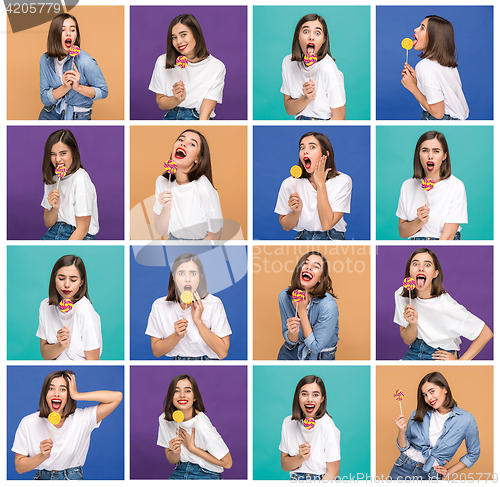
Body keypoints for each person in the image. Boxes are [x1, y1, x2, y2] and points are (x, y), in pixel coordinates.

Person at [12, 370, 122, 479]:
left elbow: (117, 397)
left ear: (69, 394)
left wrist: (77, 395)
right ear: (45, 394)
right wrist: (42, 456)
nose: (56, 393)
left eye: (63, 389)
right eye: (51, 388)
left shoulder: (82, 418)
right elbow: (19, 468)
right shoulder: (28, 422)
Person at [394, 248, 493, 360]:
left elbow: (486, 334)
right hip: (414, 350)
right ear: (409, 271)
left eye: (427, 265)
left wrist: (459, 364)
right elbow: (407, 340)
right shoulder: (401, 295)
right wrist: (413, 324)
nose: (421, 268)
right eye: (415, 264)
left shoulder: (447, 306)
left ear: (435, 273)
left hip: (438, 354)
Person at [390, 372, 480, 480]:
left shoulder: (466, 419)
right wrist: (401, 431)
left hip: (431, 475)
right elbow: (403, 447)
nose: (429, 398)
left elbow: (473, 453)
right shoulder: (417, 414)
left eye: (432, 391)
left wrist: (449, 471)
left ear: (445, 389)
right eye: (425, 395)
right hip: (403, 467)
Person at [146, 253, 231, 360]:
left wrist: (198, 321)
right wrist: (176, 336)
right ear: (174, 278)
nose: (187, 279)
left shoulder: (214, 303)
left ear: (200, 277)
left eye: (193, 273)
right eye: (181, 273)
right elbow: (156, 352)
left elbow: (222, 353)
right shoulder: (159, 305)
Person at [275, 132, 351, 240]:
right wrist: (296, 212)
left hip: (333, 238)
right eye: (302, 147)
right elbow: (285, 226)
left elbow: (327, 224)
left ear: (326, 153)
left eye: (312, 147)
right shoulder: (290, 183)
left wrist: (321, 185)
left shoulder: (343, 181)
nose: (305, 151)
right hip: (303, 237)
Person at [149, 14, 226, 120]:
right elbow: (161, 104)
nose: (179, 41)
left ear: (196, 34)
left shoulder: (216, 67)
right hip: (170, 116)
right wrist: (177, 99)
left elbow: (205, 115)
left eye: (183, 34)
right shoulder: (163, 61)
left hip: (197, 117)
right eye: (174, 37)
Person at [158, 374, 232, 479]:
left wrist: (192, 448)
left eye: (187, 391)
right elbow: (172, 460)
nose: (182, 395)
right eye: (176, 391)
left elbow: (227, 463)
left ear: (194, 398)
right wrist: (175, 452)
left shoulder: (201, 423)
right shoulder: (164, 419)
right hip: (180, 470)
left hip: (206, 473)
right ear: (170, 397)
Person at [153, 129, 223, 240]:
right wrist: (166, 208)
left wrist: (194, 255)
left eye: (192, 144)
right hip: (173, 241)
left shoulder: (203, 187)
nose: (183, 143)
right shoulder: (162, 182)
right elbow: (160, 230)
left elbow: (216, 234)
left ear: (198, 159)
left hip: (198, 245)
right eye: (180, 139)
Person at [397, 131, 467, 240]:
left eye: (436, 151)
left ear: (444, 156)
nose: (430, 156)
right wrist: (419, 221)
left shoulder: (456, 186)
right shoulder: (407, 185)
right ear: (418, 154)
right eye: (425, 150)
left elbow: (448, 236)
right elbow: (403, 233)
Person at [39, 13, 108, 120]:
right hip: (50, 114)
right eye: (63, 30)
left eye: (72, 30)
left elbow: (103, 92)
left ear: (76, 35)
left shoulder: (85, 61)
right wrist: (65, 87)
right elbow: (45, 99)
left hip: (78, 116)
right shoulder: (45, 60)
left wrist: (78, 87)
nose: (68, 34)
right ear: (54, 34)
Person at [401, 15, 468, 120]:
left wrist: (412, 87)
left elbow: (438, 113)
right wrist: (416, 81)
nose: (415, 29)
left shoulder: (424, 66)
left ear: (434, 37)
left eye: (422, 28)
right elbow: (445, 94)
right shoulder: (448, 64)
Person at [281, 13, 345, 120]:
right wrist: (306, 98)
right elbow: (289, 109)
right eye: (306, 32)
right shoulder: (288, 62)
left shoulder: (327, 67)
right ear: (298, 36)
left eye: (317, 33)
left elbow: (340, 116)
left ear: (324, 40)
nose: (311, 37)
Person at [37, 255, 102, 361]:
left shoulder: (84, 310)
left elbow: (93, 361)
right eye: (61, 278)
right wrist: (61, 345)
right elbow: (45, 355)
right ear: (54, 279)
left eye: (73, 280)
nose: (67, 285)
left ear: (81, 282)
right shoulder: (45, 305)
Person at [277, 251, 339, 360]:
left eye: (316, 266)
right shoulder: (285, 296)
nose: (309, 268)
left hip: (319, 357)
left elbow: (315, 348)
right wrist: (293, 332)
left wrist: (302, 311)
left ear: (321, 278)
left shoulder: (328, 306)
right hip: (290, 353)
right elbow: (291, 340)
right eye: (305, 263)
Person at [41, 129, 98, 240]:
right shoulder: (52, 179)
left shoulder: (80, 177)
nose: (57, 159)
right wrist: (55, 208)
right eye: (53, 154)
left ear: (74, 152)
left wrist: (66, 248)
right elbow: (48, 223)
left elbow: (83, 228)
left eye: (63, 153)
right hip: (53, 231)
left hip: (76, 234)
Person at [280, 375, 340, 480]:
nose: (310, 399)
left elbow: (333, 473)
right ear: (298, 396)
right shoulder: (288, 422)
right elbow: (285, 466)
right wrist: (301, 457)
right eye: (304, 394)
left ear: (322, 398)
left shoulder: (327, 425)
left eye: (315, 395)